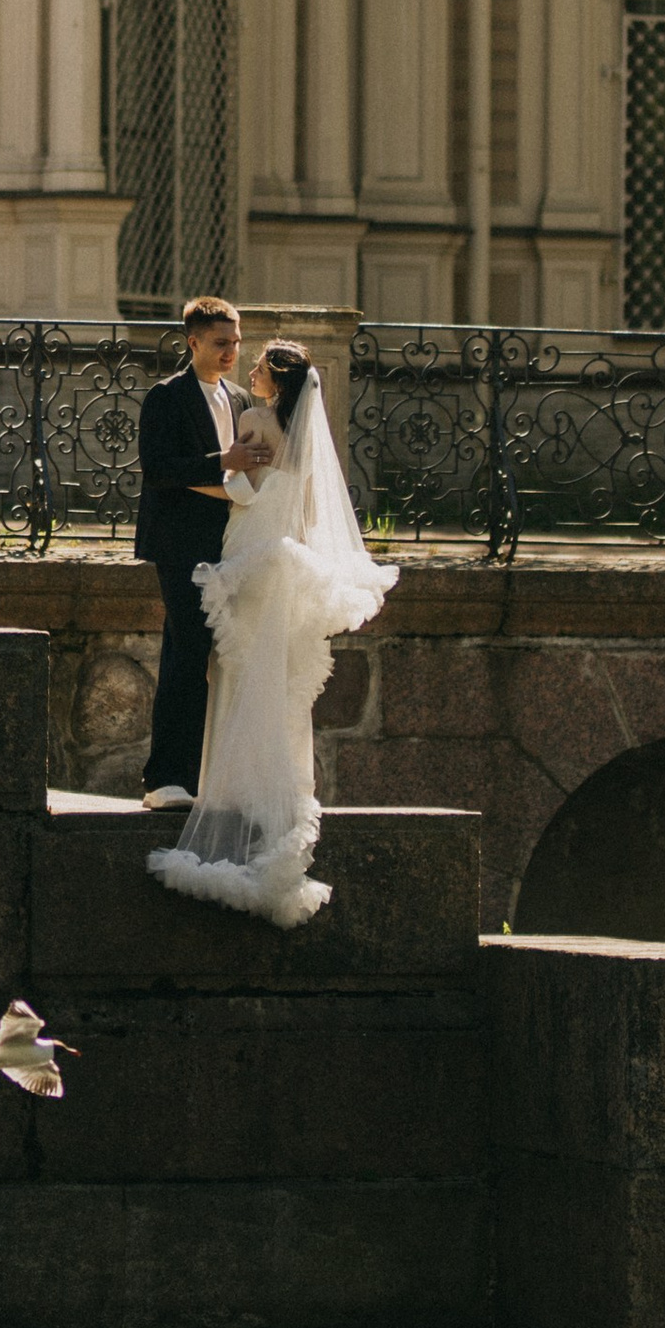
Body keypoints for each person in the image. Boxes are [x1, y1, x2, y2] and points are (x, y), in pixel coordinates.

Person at [147, 335, 398, 928]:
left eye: (259, 363)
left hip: (248, 543)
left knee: (235, 666)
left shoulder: (256, 418)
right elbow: (307, 508)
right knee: (274, 671)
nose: (251, 369)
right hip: (281, 551)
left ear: (277, 381)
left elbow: (240, 485)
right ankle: (273, 792)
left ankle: (228, 790)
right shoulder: (306, 437)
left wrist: (202, 480)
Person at [133, 294, 245, 811]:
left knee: (203, 653)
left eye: (237, 342)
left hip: (229, 543)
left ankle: (192, 776)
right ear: (193, 342)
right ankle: (165, 778)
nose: (231, 352)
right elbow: (157, 469)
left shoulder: (241, 399)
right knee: (188, 651)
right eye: (221, 343)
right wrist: (222, 460)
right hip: (179, 544)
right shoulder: (166, 397)